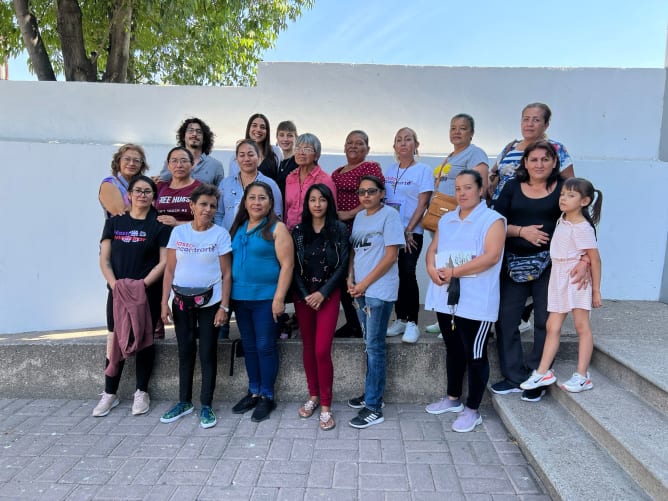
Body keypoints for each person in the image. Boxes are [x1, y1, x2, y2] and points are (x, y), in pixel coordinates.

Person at [490, 140, 587, 402]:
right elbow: (495, 222)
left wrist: (586, 261)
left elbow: (581, 225)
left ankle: (538, 374)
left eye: (545, 159)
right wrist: (522, 231)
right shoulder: (511, 187)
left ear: (555, 162)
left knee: (546, 321)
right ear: (525, 163)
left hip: (552, 267)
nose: (539, 164)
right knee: (506, 320)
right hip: (514, 264)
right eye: (534, 159)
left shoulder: (564, 191)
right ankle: (514, 376)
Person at [424, 170, 505, 432]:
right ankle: (452, 399)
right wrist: (429, 268)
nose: (462, 193)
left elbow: (491, 256)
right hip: (446, 298)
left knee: (475, 354)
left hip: (475, 301)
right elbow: (433, 249)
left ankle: (473, 410)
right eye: (458, 188)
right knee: (454, 349)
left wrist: (455, 272)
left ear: (481, 190)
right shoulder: (447, 219)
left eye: (468, 188)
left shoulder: (493, 220)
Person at [94, 175, 170, 417]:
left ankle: (141, 391)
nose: (142, 195)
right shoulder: (115, 223)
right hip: (117, 293)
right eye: (137, 190)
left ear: (153, 196)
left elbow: (164, 261)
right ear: (129, 194)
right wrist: (115, 285)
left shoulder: (158, 225)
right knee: (115, 339)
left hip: (146, 292)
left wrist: (142, 285)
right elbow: (104, 259)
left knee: (144, 340)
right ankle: (109, 393)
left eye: (147, 191)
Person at [159, 184, 232, 429]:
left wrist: (224, 307)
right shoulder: (179, 235)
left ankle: (206, 405)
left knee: (208, 353)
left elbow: (227, 274)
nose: (208, 209)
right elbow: (169, 270)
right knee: (185, 351)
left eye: (212, 206)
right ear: (191, 206)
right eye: (203, 204)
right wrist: (164, 303)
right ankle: (184, 401)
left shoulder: (220, 235)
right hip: (181, 301)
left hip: (210, 303)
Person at [521, 178, 602, 393]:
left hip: (575, 279)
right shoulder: (562, 219)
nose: (564, 198)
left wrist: (596, 290)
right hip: (558, 277)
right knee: (551, 326)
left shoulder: (582, 227)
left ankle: (583, 375)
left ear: (584, 201)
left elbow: (595, 258)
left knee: (581, 326)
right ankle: (542, 372)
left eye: (571, 195)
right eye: (563, 194)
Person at [229, 181, 294, 422]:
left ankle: (267, 395)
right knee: (249, 346)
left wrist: (279, 299)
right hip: (240, 298)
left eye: (262, 198)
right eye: (252, 198)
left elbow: (287, 266)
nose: (257, 202)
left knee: (265, 346)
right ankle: (253, 391)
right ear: (245, 202)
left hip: (266, 299)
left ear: (270, 202)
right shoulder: (237, 227)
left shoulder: (278, 228)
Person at [346, 176, 405, 428]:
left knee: (375, 346)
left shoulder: (389, 215)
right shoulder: (360, 217)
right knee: (369, 345)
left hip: (378, 292)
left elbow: (391, 256)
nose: (366, 196)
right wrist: (351, 278)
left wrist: (364, 283)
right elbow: (353, 251)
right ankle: (371, 394)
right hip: (360, 290)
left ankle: (374, 407)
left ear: (382, 193)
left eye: (371, 191)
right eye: (362, 192)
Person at [424, 114, 489, 336]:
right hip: (446, 219)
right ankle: (445, 313)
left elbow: (480, 184)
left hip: (461, 220)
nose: (457, 132)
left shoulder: (475, 153)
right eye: (453, 128)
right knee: (443, 262)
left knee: (459, 268)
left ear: (472, 132)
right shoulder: (451, 156)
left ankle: (457, 316)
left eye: (462, 128)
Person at [292, 184, 349, 431]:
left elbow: (343, 264)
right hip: (304, 296)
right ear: (307, 203)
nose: (317, 204)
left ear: (329, 202)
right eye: (313, 199)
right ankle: (313, 395)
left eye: (322, 200)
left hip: (329, 295)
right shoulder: (298, 231)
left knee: (321, 350)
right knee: (307, 347)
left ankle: (326, 405)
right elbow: (291, 265)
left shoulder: (339, 229)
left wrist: (323, 293)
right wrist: (306, 295)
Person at [214, 140, 283, 339]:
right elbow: (218, 214)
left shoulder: (270, 184)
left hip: (258, 248)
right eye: (242, 155)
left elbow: (277, 214)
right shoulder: (225, 184)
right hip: (228, 249)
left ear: (259, 158)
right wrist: (223, 240)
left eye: (251, 154)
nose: (246, 158)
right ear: (236, 159)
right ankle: (223, 339)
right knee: (225, 295)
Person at [331, 130, 385, 338]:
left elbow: (376, 194)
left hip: (363, 229)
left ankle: (366, 323)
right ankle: (353, 322)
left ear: (367, 148)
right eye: (349, 142)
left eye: (359, 143)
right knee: (345, 276)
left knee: (362, 276)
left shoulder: (370, 167)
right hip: (341, 232)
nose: (353, 146)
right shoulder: (337, 172)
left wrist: (349, 214)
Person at [383, 127, 433, 343]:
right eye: (399, 140)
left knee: (408, 272)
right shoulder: (390, 170)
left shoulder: (423, 170)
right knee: (394, 274)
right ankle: (400, 318)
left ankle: (412, 322)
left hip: (412, 232)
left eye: (408, 139)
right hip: (392, 233)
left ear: (416, 145)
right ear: (394, 146)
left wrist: (409, 229)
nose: (403, 143)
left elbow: (423, 203)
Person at [489, 103, 574, 201]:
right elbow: (493, 172)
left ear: (546, 125)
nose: (529, 124)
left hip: (535, 209)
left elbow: (570, 184)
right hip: (499, 210)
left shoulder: (556, 148)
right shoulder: (510, 147)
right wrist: (487, 177)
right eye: (526, 119)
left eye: (536, 120)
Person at [284, 133, 337, 232]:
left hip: (314, 235)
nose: (301, 153)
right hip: (290, 232)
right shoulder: (290, 178)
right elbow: (287, 208)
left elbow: (332, 212)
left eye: (307, 149)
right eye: (298, 148)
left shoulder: (324, 180)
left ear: (316, 156)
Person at [158, 118, 225, 186]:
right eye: (190, 131)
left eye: (199, 132)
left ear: (204, 139)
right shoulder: (172, 161)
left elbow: (221, 193)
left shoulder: (215, 165)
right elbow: (162, 185)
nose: (194, 134)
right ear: (183, 137)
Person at [155, 147, 202, 227]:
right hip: (160, 237)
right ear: (168, 165)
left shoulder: (201, 189)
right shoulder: (160, 187)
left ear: (192, 164)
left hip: (188, 237)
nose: (179, 165)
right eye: (174, 161)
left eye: (184, 161)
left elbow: (206, 222)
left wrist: (177, 223)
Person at [99, 144, 149, 218]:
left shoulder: (143, 184)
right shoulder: (110, 184)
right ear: (119, 161)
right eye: (127, 159)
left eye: (136, 160)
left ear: (141, 165)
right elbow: (122, 215)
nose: (131, 163)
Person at [228, 113, 283, 180]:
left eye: (262, 127)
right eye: (254, 126)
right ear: (249, 129)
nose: (258, 129)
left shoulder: (275, 151)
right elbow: (232, 182)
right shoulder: (236, 156)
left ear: (267, 131)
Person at [275, 120, 299, 197]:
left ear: (296, 138)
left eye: (290, 135)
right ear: (277, 138)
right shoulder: (276, 161)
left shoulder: (299, 162)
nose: (285, 139)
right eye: (281, 135)